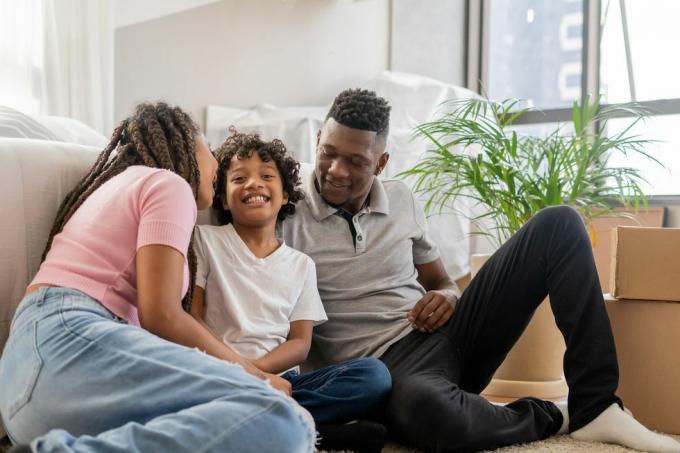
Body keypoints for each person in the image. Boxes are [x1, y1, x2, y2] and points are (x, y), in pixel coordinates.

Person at [279, 88, 680, 453]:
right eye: (328, 152)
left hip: (446, 336)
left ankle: (597, 403)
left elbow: (440, 281)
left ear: (381, 163)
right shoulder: (284, 212)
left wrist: (449, 295)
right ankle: (562, 416)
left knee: (559, 223)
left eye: (356, 161)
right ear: (317, 139)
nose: (336, 170)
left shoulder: (401, 199)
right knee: (436, 417)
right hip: (384, 373)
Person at [0, 103, 315, 453]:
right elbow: (161, 313)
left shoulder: (120, 186)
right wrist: (254, 377)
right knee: (284, 417)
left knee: (226, 423)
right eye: (209, 150)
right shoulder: (169, 183)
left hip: (27, 392)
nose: (215, 163)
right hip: (67, 345)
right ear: (187, 145)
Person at [190, 130, 391, 453]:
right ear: (224, 198)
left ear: (285, 195)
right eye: (239, 178)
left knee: (373, 376)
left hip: (281, 380)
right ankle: (318, 431)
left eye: (266, 176)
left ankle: (272, 419)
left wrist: (259, 372)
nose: (253, 183)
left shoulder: (301, 265)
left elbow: (300, 343)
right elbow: (192, 318)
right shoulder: (205, 240)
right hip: (218, 372)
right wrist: (241, 371)